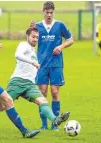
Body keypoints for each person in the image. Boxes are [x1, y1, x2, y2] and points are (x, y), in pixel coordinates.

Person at [0, 27, 70, 131]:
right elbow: (18, 55)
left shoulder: (33, 51)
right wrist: (33, 62)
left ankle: (55, 120)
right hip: (17, 82)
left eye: (37, 37)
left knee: (43, 101)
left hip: (30, 84)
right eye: (33, 37)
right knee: (0, 105)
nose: (35, 39)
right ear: (27, 36)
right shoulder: (23, 45)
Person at [30, 1, 74, 130]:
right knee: (42, 93)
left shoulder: (60, 25)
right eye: (47, 12)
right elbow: (30, 42)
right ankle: (44, 124)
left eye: (51, 12)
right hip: (41, 65)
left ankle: (55, 124)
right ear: (43, 12)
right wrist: (30, 30)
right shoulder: (37, 26)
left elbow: (71, 39)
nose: (49, 14)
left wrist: (61, 46)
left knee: (55, 92)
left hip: (56, 64)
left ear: (53, 12)